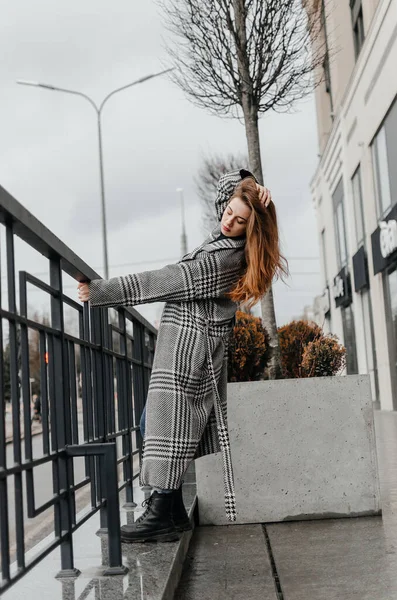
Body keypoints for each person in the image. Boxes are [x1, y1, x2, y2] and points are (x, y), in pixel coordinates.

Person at [78, 169, 287, 543]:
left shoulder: (224, 259)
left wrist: (101, 292)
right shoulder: (229, 238)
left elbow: (165, 280)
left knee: (162, 427)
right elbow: (229, 186)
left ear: (251, 229)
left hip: (190, 352)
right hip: (191, 346)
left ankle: (160, 512)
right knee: (159, 424)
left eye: (240, 221)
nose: (229, 221)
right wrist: (252, 183)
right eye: (228, 212)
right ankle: (171, 511)